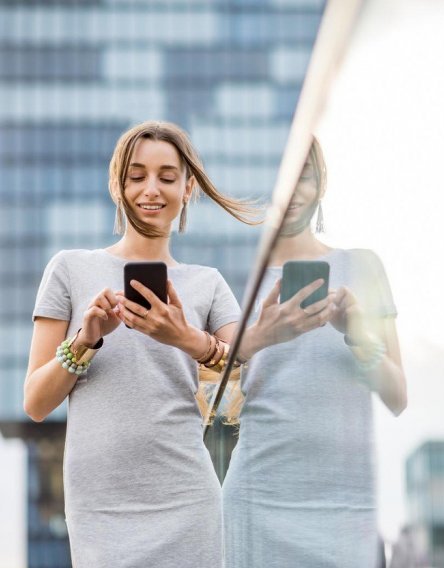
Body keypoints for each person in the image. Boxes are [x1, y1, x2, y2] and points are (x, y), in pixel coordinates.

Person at [23, 121, 259, 567]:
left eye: (168, 177)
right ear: (117, 185)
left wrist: (187, 339)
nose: (151, 189)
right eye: (137, 176)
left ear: (188, 188)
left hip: (186, 499)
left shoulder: (208, 284)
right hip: (100, 507)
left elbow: (252, 378)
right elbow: (35, 402)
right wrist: (85, 341)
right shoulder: (70, 270)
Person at [222, 136, 407, 567]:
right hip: (258, 499)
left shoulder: (362, 266)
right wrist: (261, 335)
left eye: (302, 176)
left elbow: (398, 398)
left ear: (321, 184)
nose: (290, 191)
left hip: (346, 506)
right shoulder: (233, 276)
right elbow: (204, 385)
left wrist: (358, 334)